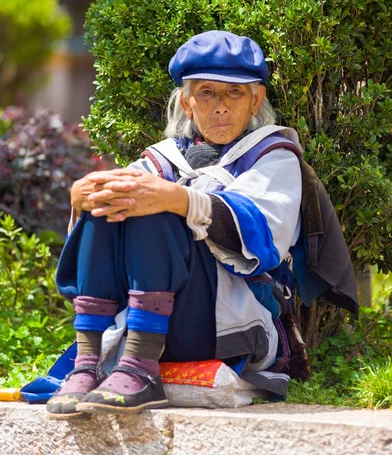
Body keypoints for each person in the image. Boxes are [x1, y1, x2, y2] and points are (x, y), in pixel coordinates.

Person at [46, 30, 306, 419]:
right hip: (142, 319)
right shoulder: (160, 161)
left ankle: (138, 367)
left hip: (227, 326)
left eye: (234, 93)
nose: (220, 106)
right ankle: (87, 362)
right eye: (206, 93)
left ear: (257, 100)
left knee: (153, 203)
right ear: (186, 102)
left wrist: (177, 200)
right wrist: (85, 197)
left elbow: (265, 236)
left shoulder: (274, 157)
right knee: (115, 199)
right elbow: (100, 238)